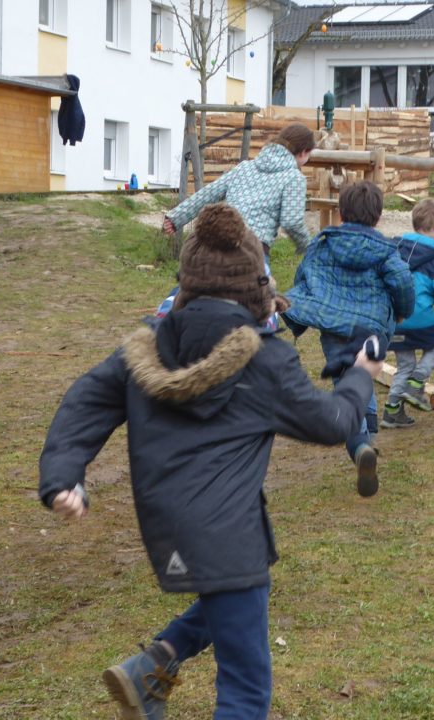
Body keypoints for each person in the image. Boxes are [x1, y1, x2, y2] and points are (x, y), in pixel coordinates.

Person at [38, 203, 382, 720]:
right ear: (255, 284)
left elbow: (84, 402)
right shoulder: (265, 359)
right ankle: (157, 665)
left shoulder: (147, 346)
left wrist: (63, 477)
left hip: (170, 523)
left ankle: (156, 663)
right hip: (225, 530)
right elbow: (333, 422)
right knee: (245, 687)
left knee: (236, 596)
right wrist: (359, 375)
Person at [283, 181, 414, 497]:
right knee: (363, 375)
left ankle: (360, 444)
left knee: (347, 380)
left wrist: (300, 308)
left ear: (340, 213)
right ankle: (365, 441)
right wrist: (402, 311)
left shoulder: (323, 244)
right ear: (378, 217)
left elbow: (304, 275)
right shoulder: (385, 251)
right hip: (372, 328)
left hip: (334, 328)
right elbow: (402, 283)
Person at [162, 123, 315, 255]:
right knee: (259, 281)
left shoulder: (244, 167)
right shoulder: (294, 178)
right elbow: (291, 222)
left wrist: (176, 217)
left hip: (222, 241)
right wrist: (308, 247)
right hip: (253, 250)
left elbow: (208, 194)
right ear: (303, 152)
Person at [380, 198, 434, 429]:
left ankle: (392, 412)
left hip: (395, 320)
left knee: (405, 365)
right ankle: (416, 383)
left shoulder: (395, 248)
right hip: (420, 320)